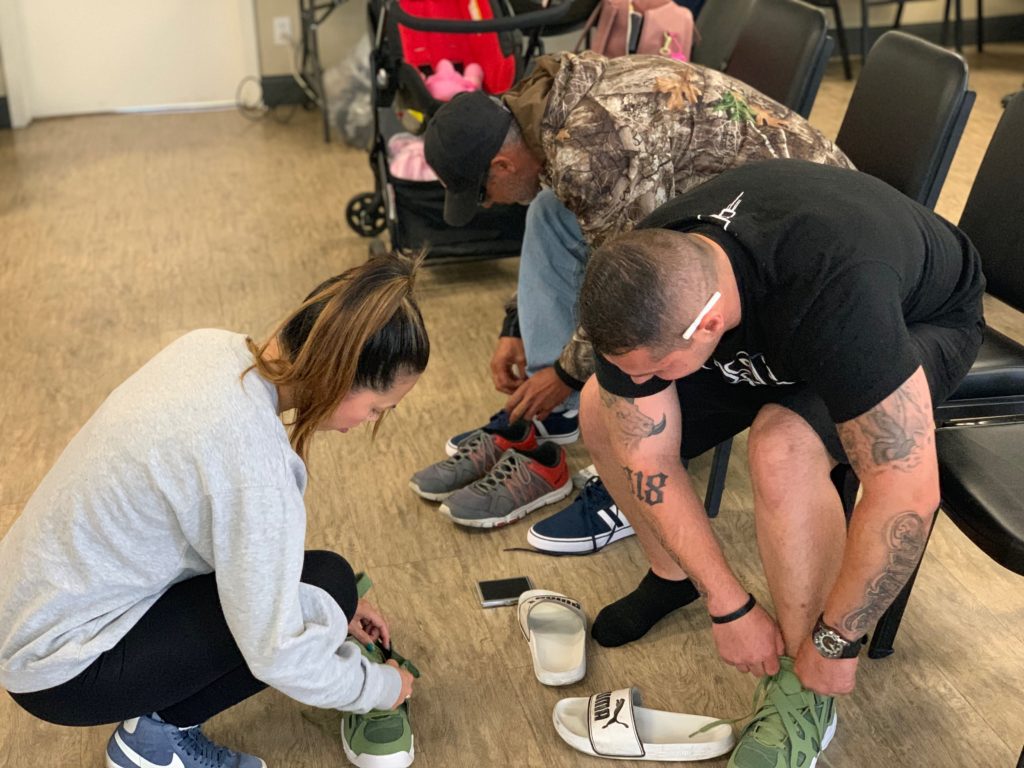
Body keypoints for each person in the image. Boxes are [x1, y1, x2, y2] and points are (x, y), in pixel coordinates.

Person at [574, 159, 984, 767]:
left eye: (655, 370)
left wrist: (836, 641)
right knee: (600, 411)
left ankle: (802, 687)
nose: (645, 383)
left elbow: (906, 495)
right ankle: (673, 576)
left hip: (917, 317)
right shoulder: (651, 275)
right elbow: (649, 452)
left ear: (706, 324)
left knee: (781, 446)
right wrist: (728, 601)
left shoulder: (838, 288)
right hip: (774, 326)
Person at [0, 255, 430, 768]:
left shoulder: (208, 347)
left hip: (27, 610)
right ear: (339, 373)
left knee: (323, 586)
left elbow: (210, 524)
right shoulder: (254, 463)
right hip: (62, 672)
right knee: (327, 585)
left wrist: (325, 611)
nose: (370, 422)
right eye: (378, 408)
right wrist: (380, 688)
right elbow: (277, 652)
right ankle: (153, 741)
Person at [422, 50, 853, 544]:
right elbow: (596, 223)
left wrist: (566, 373)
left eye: (483, 193)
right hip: (740, 202)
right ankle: (554, 413)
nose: (490, 204)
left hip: (797, 239)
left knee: (643, 315)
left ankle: (639, 480)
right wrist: (517, 326)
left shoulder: (594, 147)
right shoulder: (545, 102)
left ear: (502, 162)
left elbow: (633, 279)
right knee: (549, 210)